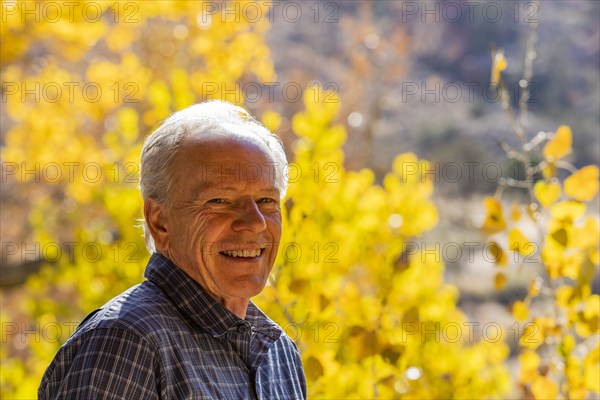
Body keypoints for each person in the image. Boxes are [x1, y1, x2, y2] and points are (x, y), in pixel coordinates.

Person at [38, 101, 307, 399]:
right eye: (219, 201)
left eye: (266, 201)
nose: (254, 223)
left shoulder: (279, 352)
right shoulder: (126, 342)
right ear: (160, 222)